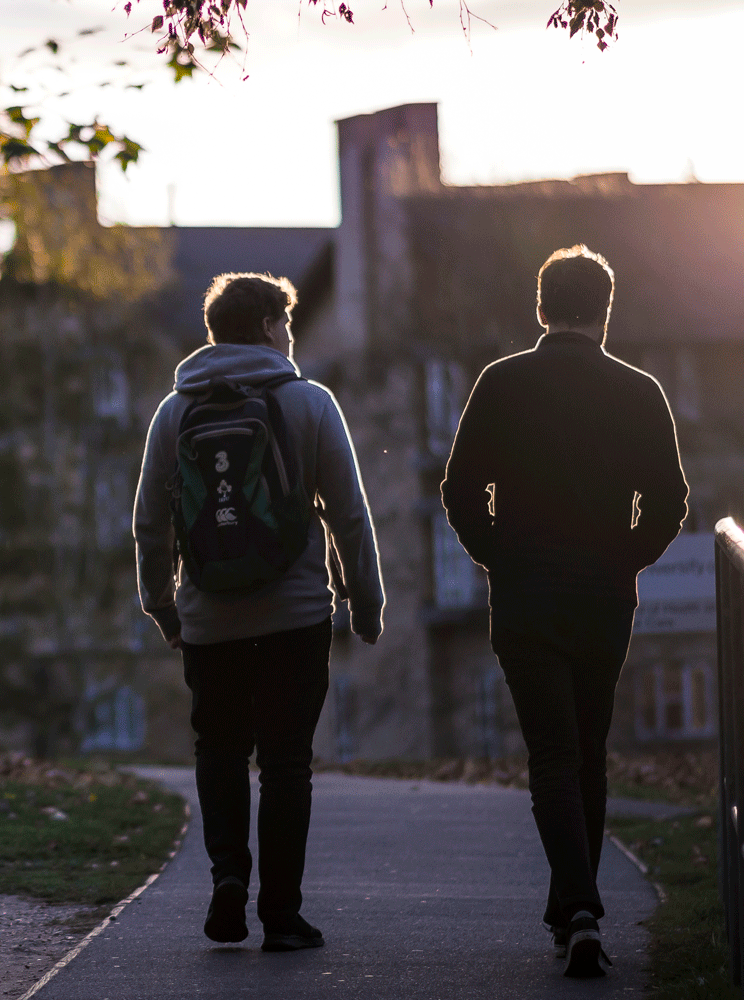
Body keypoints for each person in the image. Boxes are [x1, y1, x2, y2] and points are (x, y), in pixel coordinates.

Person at [441, 245, 688, 978]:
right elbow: (672, 500)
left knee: (551, 753)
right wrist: (628, 558)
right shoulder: (641, 391)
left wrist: (497, 556)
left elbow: (459, 488)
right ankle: (575, 907)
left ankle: (575, 908)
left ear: (540, 307)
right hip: (603, 597)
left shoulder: (502, 382)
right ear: (606, 311)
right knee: (588, 749)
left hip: (526, 596)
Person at [133, 272, 385, 952]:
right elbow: (350, 515)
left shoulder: (173, 412)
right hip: (296, 616)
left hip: (209, 618)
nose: (292, 334)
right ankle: (280, 913)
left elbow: (150, 524)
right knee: (284, 764)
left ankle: (227, 879)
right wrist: (365, 600)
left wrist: (161, 604)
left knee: (218, 748)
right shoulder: (309, 402)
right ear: (273, 324)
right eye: (289, 323)